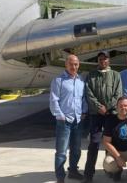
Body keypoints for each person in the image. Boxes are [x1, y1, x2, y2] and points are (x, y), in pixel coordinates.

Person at [83, 51, 123, 183]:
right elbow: (89, 94)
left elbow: (118, 94)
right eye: (100, 59)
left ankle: (112, 171)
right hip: (96, 115)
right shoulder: (91, 75)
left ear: (109, 60)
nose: (103, 61)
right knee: (94, 143)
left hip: (111, 115)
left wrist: (109, 107)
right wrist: (99, 107)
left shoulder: (116, 75)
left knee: (111, 144)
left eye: (105, 59)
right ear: (98, 61)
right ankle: (88, 175)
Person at [49, 54, 88, 183]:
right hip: (64, 122)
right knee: (61, 152)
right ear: (66, 64)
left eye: (76, 64)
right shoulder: (58, 80)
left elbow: (83, 99)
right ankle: (60, 177)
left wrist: (84, 111)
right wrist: (60, 116)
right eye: (71, 64)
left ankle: (73, 171)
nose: (73, 66)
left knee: (76, 150)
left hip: (77, 120)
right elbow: (54, 100)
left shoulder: (81, 80)